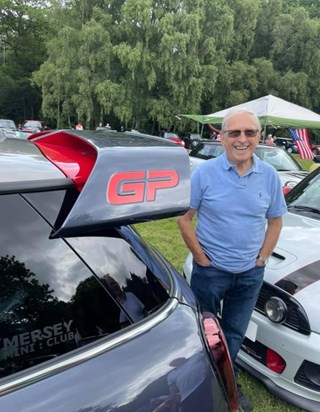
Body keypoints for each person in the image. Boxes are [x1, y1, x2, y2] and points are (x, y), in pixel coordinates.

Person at [177, 108, 287, 412]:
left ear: (259, 137)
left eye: (249, 133)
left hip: (250, 275)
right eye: (234, 133)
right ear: (222, 138)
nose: (242, 139)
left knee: (235, 332)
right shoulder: (204, 173)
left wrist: (262, 259)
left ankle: (226, 378)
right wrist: (201, 258)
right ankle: (204, 377)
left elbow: (275, 221)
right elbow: (185, 219)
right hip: (210, 272)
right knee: (204, 329)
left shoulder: (269, 176)